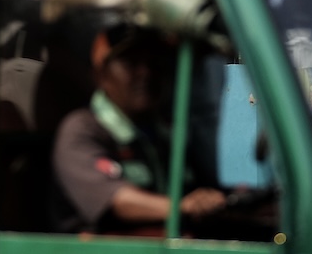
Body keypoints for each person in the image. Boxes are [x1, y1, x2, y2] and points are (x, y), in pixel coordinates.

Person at [51, 22, 226, 235]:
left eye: (153, 63)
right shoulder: (82, 128)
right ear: (101, 75)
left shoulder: (164, 131)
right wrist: (182, 206)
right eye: (131, 63)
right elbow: (116, 200)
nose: (146, 73)